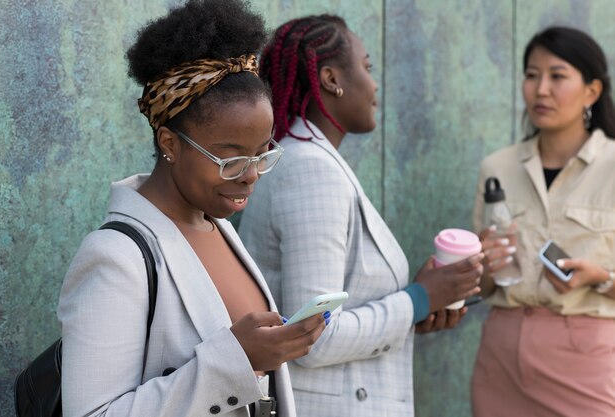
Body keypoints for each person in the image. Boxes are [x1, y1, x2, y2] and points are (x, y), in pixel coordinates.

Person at [57, 1, 327, 416]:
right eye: (231, 159)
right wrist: (239, 360)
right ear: (169, 144)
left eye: (261, 154)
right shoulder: (115, 258)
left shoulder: (217, 227)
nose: (251, 174)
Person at [237, 15, 483, 417]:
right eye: (367, 68)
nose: (375, 84)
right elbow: (313, 335)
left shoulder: (308, 159)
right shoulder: (311, 170)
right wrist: (418, 300)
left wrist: (418, 309)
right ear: (331, 78)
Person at [471, 26, 615, 417]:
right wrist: (481, 265)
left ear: (592, 91)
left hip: (586, 360)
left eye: (557, 76)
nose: (541, 89)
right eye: (532, 75)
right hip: (500, 358)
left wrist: (600, 277)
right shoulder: (496, 167)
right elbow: (478, 285)